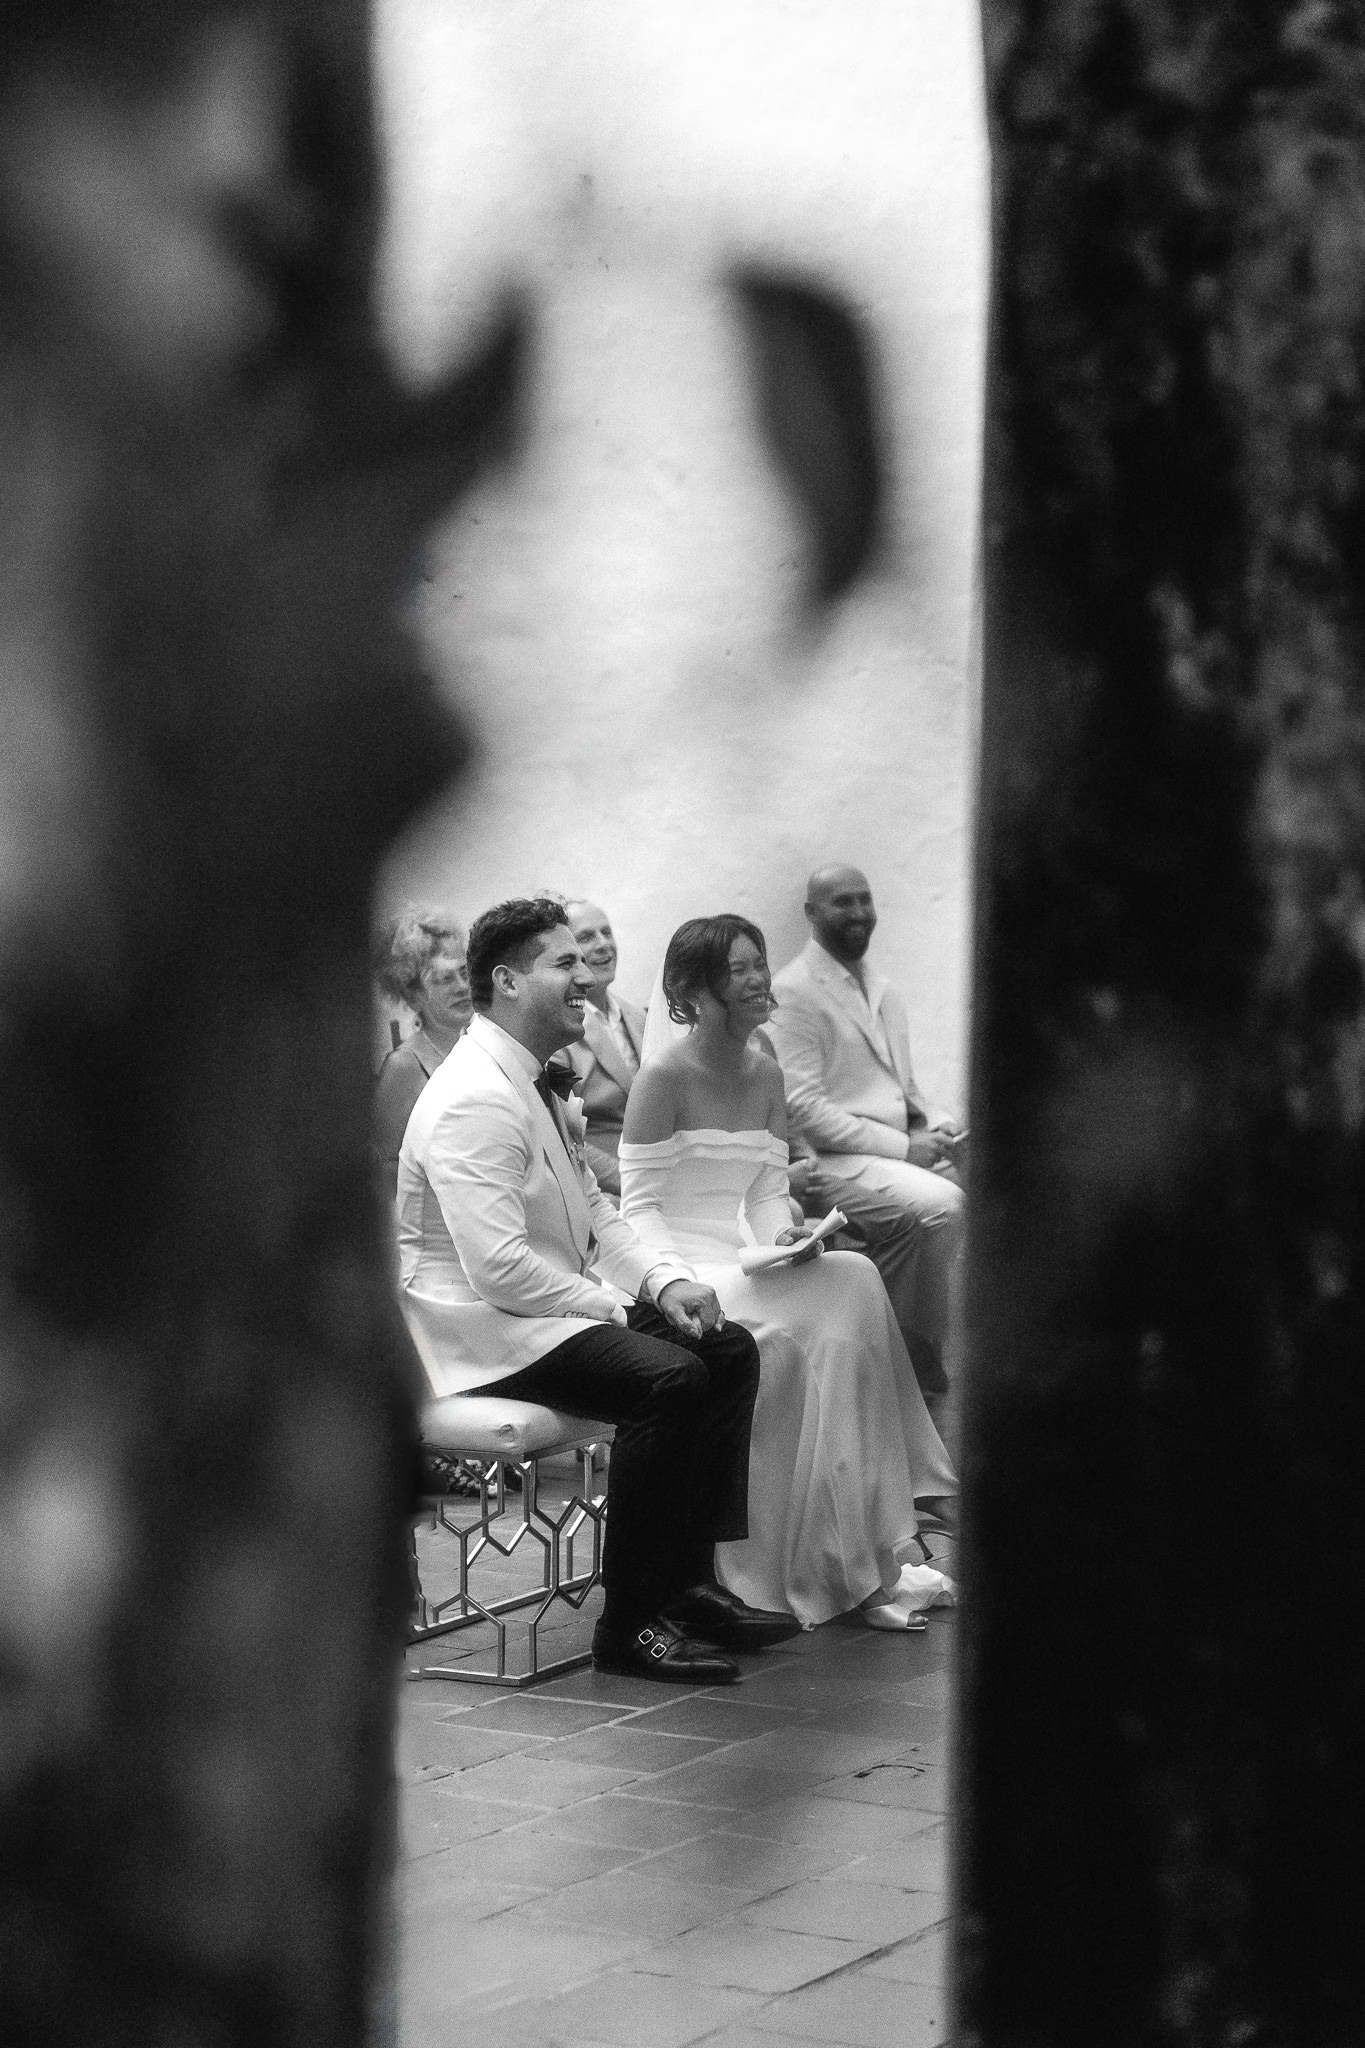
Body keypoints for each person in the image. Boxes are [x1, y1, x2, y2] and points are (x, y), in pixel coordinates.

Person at [395, 896, 799, 1684]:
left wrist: (662, 1279)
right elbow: (498, 1270)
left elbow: (595, 1211)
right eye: (564, 963)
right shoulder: (473, 1096)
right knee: (668, 1375)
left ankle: (688, 1586)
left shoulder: (532, 1078)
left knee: (723, 1343)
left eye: (583, 961)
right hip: (473, 1331)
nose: (585, 976)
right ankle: (631, 1624)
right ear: (508, 982)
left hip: (536, 1307)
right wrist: (616, 1307)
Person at [620, 914, 959, 1631]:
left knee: (848, 1275)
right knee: (849, 1290)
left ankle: (856, 1551)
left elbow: (768, 1193)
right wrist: (676, 1279)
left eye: (758, 964)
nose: (757, 980)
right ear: (695, 990)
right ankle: (864, 1553)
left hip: (746, 1256)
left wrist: (789, 1236)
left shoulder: (765, 1069)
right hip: (678, 1271)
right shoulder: (663, 1075)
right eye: (739, 969)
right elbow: (638, 1210)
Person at [766, 865, 965, 1397]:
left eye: (864, 899)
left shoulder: (883, 988)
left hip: (895, 1151)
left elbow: (906, 1086)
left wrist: (944, 1127)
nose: (857, 912)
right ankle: (905, 1355)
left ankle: (919, 1350)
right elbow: (803, 1107)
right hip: (838, 1158)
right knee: (945, 1205)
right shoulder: (793, 993)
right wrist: (905, 1147)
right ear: (811, 913)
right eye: (841, 902)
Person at [372, 908, 474, 1198]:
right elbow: (387, 1168)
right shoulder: (403, 1065)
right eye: (444, 979)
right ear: (412, 995)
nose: (462, 987)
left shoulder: (479, 1043)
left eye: (464, 973)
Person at [560, 898, 646, 1198]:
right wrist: (635, 1184)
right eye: (586, 937)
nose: (603, 945)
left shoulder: (638, 1017)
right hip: (607, 1187)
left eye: (606, 933)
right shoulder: (559, 1033)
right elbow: (568, 1136)